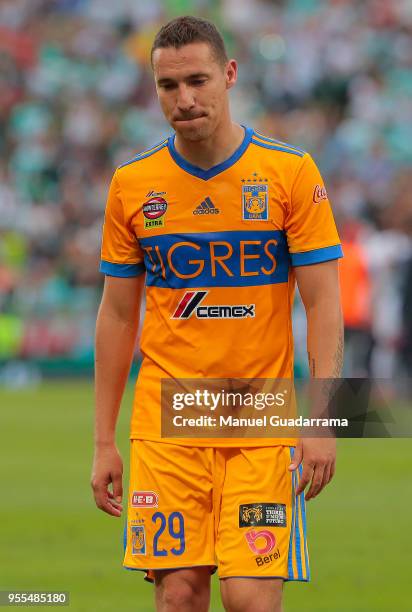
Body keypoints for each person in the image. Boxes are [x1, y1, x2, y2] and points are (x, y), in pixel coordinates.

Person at [91, 16, 343, 612]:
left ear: (229, 75)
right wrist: (104, 440)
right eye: (168, 86)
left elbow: (324, 302)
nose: (185, 99)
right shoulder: (132, 184)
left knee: (249, 598)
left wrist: (324, 419)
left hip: (261, 415)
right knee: (179, 595)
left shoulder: (290, 172)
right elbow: (118, 315)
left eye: (198, 81)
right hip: (168, 417)